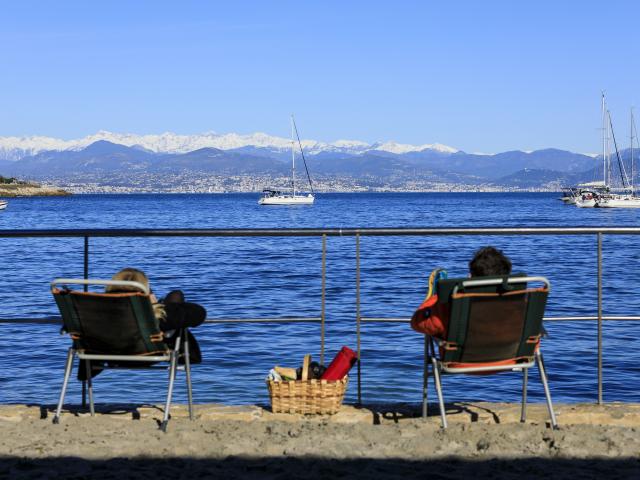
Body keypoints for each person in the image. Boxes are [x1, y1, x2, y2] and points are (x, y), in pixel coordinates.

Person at [78, 267, 206, 380]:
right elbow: (200, 313)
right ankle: (187, 356)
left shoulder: (94, 313)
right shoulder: (151, 316)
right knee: (176, 298)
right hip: (146, 354)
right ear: (144, 290)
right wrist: (155, 306)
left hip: (107, 354)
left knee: (174, 303)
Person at [410, 246, 512, 338]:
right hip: (510, 358)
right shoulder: (519, 305)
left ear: (471, 278)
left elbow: (417, 322)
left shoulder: (453, 306)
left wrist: (437, 299)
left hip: (462, 358)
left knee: (438, 323)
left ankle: (436, 296)